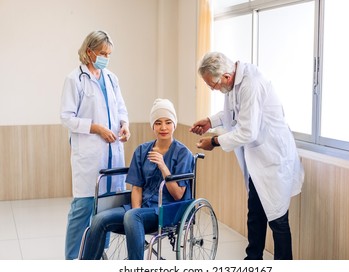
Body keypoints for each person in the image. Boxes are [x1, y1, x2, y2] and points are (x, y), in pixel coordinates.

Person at [190, 51, 304, 260]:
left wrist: (213, 142)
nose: (214, 90)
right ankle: (253, 260)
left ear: (225, 76)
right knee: (255, 214)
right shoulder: (233, 85)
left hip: (273, 160)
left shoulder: (252, 83)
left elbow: (247, 131)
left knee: (278, 221)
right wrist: (210, 121)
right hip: (257, 162)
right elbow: (234, 113)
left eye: (212, 86)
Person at [80, 98, 194, 260]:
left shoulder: (183, 154)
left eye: (168, 122)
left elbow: (178, 195)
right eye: (158, 122)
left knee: (132, 216)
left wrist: (163, 166)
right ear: (152, 126)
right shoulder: (142, 151)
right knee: (99, 219)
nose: (163, 127)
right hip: (140, 209)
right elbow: (137, 188)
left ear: (174, 124)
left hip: (166, 211)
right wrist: (136, 210)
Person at [60, 30, 130, 260]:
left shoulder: (111, 78)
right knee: (83, 208)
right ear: (89, 52)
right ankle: (72, 258)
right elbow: (67, 117)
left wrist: (125, 125)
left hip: (112, 152)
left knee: (107, 208)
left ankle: (98, 252)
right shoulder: (75, 79)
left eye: (109, 54)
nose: (106, 58)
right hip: (90, 154)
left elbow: (120, 108)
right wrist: (96, 128)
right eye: (102, 53)